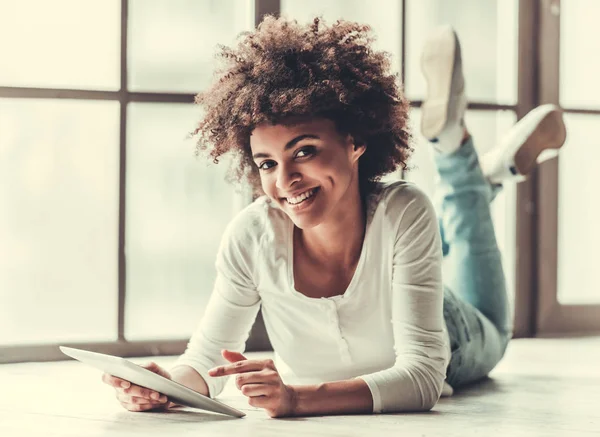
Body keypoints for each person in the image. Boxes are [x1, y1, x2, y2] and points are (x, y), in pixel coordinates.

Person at [102, 19, 566, 417]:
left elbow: (424, 376)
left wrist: (298, 399)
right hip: (395, 265)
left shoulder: (405, 209)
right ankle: (487, 176)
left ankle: (457, 157)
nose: (285, 180)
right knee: (439, 227)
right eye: (266, 163)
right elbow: (205, 360)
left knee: (493, 324)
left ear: (356, 140)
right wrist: (168, 385)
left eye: (305, 151)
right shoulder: (252, 235)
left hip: (449, 332)